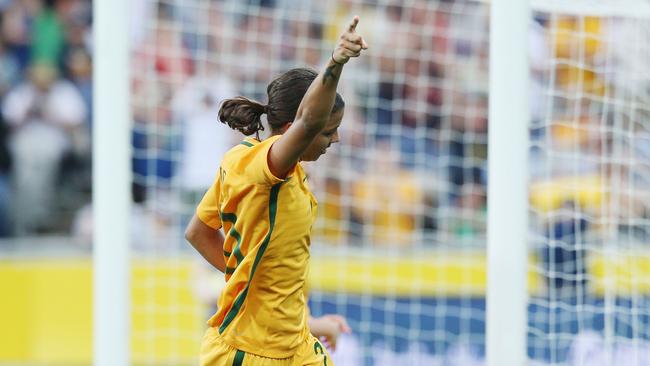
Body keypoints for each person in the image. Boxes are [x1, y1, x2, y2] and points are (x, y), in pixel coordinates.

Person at [184, 16, 367, 366]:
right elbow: (309, 120)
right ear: (291, 129)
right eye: (329, 131)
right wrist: (335, 61)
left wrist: (306, 321)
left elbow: (199, 231)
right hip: (246, 353)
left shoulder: (270, 169)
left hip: (295, 347)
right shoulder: (263, 168)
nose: (336, 139)